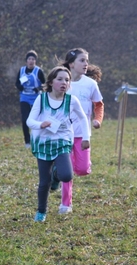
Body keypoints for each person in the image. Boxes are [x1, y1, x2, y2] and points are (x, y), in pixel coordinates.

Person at [26, 66, 90, 222]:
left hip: (62, 142)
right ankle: (41, 211)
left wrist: (86, 137)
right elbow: (29, 120)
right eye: (60, 79)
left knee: (66, 175)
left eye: (67, 80)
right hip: (43, 143)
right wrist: (40, 125)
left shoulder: (71, 100)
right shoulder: (42, 99)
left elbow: (82, 118)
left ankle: (56, 176)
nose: (63, 82)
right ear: (51, 81)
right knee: (43, 183)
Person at [51, 49, 104, 214]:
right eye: (82, 60)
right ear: (72, 64)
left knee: (82, 170)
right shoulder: (63, 83)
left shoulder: (90, 84)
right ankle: (65, 205)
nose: (86, 64)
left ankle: (57, 171)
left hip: (83, 134)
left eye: (87, 61)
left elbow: (99, 104)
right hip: (64, 134)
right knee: (68, 173)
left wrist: (97, 120)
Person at [15, 50, 46, 148]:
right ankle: (27, 141)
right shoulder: (21, 70)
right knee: (25, 119)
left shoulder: (38, 71)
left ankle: (37, 138)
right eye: (29, 59)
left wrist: (38, 88)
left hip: (36, 99)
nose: (31, 61)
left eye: (33, 59)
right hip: (24, 98)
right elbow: (17, 83)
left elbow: (45, 84)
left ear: (35, 61)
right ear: (26, 61)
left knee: (36, 120)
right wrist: (20, 87)